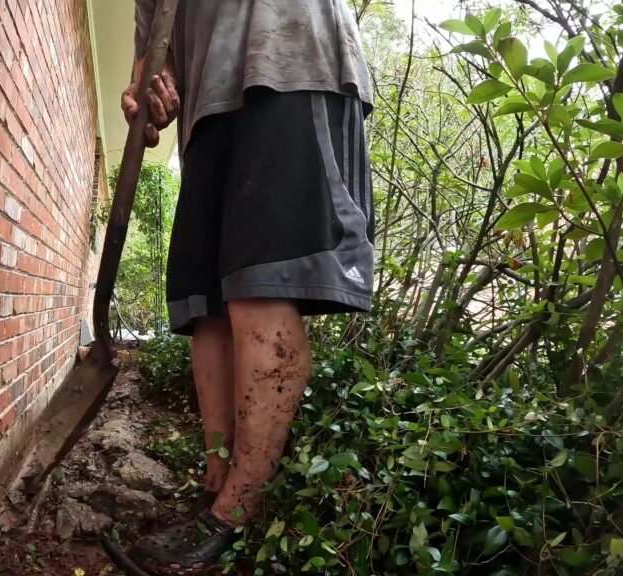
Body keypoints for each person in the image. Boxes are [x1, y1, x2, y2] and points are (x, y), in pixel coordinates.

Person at [118, 1, 375, 572]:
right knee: (203, 302)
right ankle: (217, 479)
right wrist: (149, 90)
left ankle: (240, 510)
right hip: (206, 113)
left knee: (260, 283)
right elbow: (152, 62)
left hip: (290, 61)